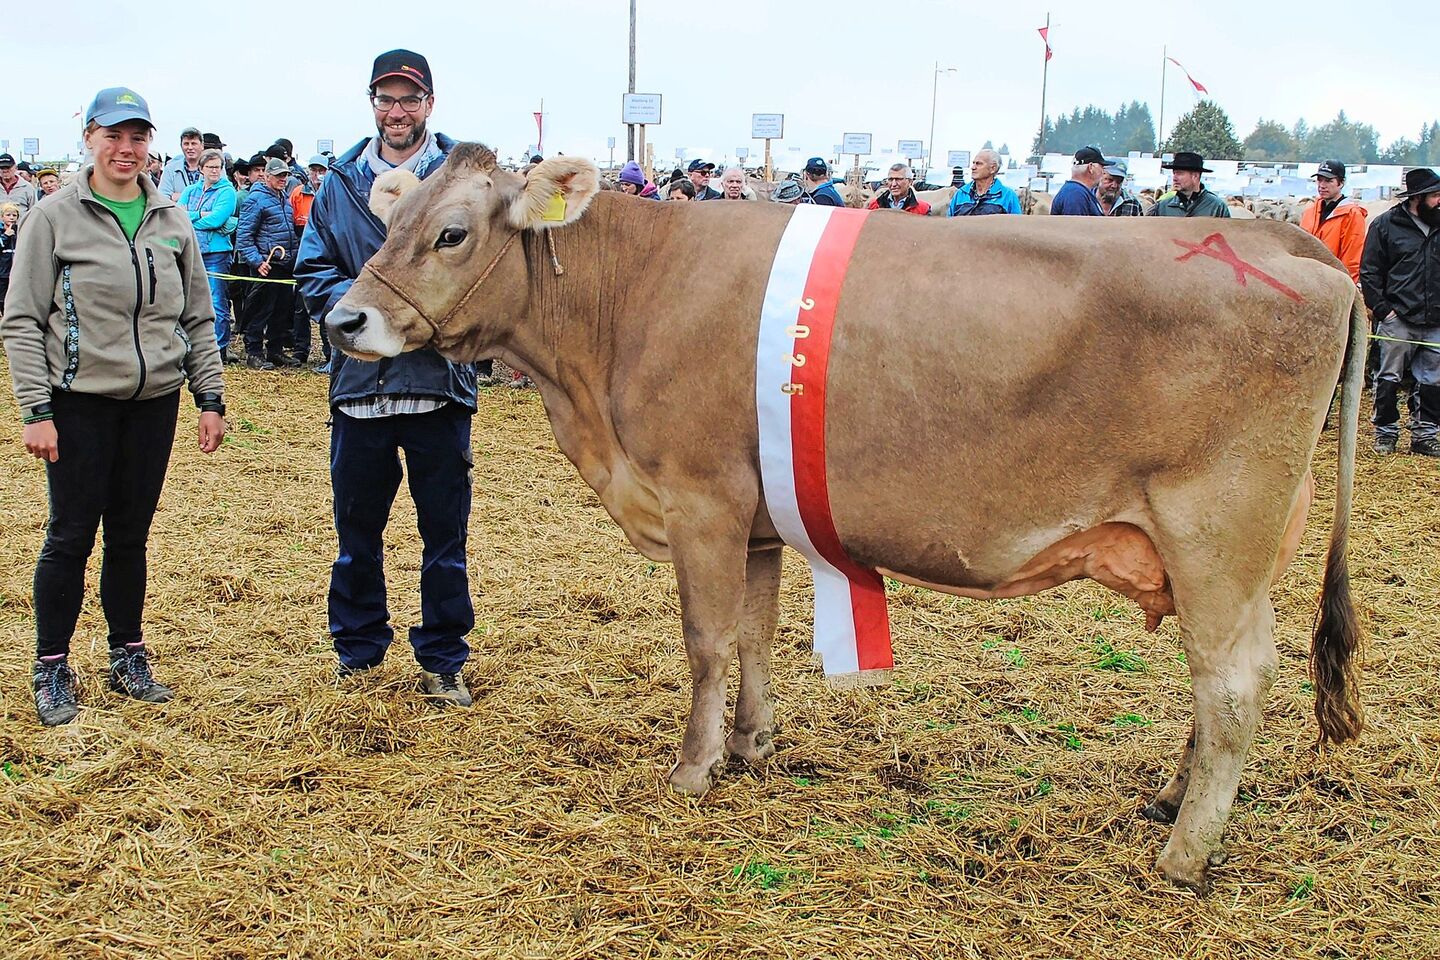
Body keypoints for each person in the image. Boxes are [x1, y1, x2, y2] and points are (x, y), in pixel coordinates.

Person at [0, 86, 226, 727]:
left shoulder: (171, 220)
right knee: (71, 534)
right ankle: (51, 664)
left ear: (150, 144)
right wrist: (35, 409)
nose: (126, 149)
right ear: (90, 138)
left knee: (131, 533)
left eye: (137, 137)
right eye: (113, 136)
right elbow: (22, 320)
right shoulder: (53, 217)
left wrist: (209, 396)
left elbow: (197, 317)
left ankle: (127, 653)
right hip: (79, 404)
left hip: (154, 402)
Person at [295, 48, 478, 707]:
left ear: (429, 103)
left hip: (438, 387)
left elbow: (483, 273)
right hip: (359, 390)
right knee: (356, 536)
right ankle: (359, 652)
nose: (396, 111)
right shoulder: (338, 185)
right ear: (372, 104)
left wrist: (419, 315)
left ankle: (443, 659)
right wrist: (364, 314)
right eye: (386, 99)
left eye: (408, 99)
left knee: (445, 539)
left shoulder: (462, 182)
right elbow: (313, 271)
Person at [1360, 167, 1440, 457]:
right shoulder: (1385, 225)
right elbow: (1369, 272)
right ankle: (1386, 433)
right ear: (1417, 197)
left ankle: (1425, 436)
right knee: (1387, 379)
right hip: (1398, 319)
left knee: (1432, 382)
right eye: (1435, 195)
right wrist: (1385, 312)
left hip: (1436, 320)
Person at [236, 157, 299, 369]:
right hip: (267, 264)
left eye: (285, 175)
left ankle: (275, 350)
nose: (283, 179)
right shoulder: (256, 200)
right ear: (267, 176)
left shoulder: (284, 198)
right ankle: (253, 352)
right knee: (261, 310)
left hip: (284, 264)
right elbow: (244, 236)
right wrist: (257, 261)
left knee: (281, 310)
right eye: (279, 175)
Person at [179, 148, 239, 361]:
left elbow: (217, 219)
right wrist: (200, 214)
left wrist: (190, 218)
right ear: (201, 169)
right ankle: (192, 345)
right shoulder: (190, 191)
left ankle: (219, 347)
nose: (215, 171)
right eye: (210, 167)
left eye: (218, 167)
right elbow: (177, 215)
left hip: (216, 253)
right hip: (191, 252)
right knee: (189, 299)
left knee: (217, 302)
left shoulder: (227, 192)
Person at [287, 155, 330, 368]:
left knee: (327, 304)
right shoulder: (297, 193)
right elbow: (289, 222)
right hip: (302, 252)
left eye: (321, 170)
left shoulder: (333, 193)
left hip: (327, 255)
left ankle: (329, 353)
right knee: (300, 306)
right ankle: (300, 350)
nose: (316, 175)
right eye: (313, 170)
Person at [1300, 159, 1367, 285]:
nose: (1322, 185)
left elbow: (1352, 259)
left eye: (1328, 180)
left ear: (1341, 183)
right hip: (1306, 281)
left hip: (1332, 284)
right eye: (1319, 180)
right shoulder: (1309, 212)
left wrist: (1345, 287)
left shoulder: (1351, 215)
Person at [1148, 152, 1231, 218]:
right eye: (1174, 173)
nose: (1174, 178)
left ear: (1195, 176)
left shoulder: (1217, 207)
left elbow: (1228, 233)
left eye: (1180, 173)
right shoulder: (1162, 207)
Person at [947, 149, 1021, 216]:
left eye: (979, 164)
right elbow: (949, 223)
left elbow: (1016, 224)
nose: (973, 167)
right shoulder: (960, 194)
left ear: (993, 168)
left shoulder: (1007, 196)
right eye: (973, 163)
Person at [1050, 146, 1105, 216]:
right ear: (1091, 167)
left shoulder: (1076, 191)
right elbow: (1076, 223)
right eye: (1102, 167)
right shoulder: (1076, 194)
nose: (1103, 172)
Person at [158, 126, 205, 200]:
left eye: (193, 144)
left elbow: (220, 196)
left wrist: (178, 196)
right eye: (186, 144)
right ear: (181, 146)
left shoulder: (214, 167)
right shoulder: (170, 169)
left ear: (202, 146)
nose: (190, 147)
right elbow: (162, 198)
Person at [867, 162, 931, 214]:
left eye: (898, 179)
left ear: (910, 182)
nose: (893, 184)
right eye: (890, 179)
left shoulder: (923, 209)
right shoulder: (874, 206)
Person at [0, 153, 35, 225]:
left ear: (15, 168)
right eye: (2, 168)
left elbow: (34, 212)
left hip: (21, 229)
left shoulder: (27, 188)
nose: (5, 170)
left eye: (8, 167)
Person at [0, 202, 17, 309]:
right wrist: (6, 236)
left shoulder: (19, 231)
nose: (11, 217)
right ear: (2, 217)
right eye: (8, 215)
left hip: (15, 272)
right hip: (2, 272)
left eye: (14, 215)